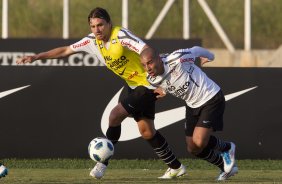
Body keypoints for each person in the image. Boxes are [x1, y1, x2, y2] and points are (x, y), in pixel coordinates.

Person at [16, 7, 186, 179]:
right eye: (93, 26)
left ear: (109, 23)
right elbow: (66, 50)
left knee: (114, 115)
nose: (97, 29)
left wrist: (161, 79)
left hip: (149, 85)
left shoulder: (120, 35)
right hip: (134, 85)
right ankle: (176, 167)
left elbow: (145, 49)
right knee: (147, 132)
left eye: (100, 25)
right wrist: (37, 57)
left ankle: (102, 163)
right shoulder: (91, 41)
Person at [140, 46, 238, 181]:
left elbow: (196, 49)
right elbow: (168, 83)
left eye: (150, 62)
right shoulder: (151, 78)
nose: (148, 68)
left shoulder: (176, 59)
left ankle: (227, 147)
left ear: (159, 59)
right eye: (144, 65)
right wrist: (163, 91)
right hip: (192, 105)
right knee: (193, 147)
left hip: (210, 97)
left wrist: (209, 56)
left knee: (199, 140)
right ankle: (226, 167)